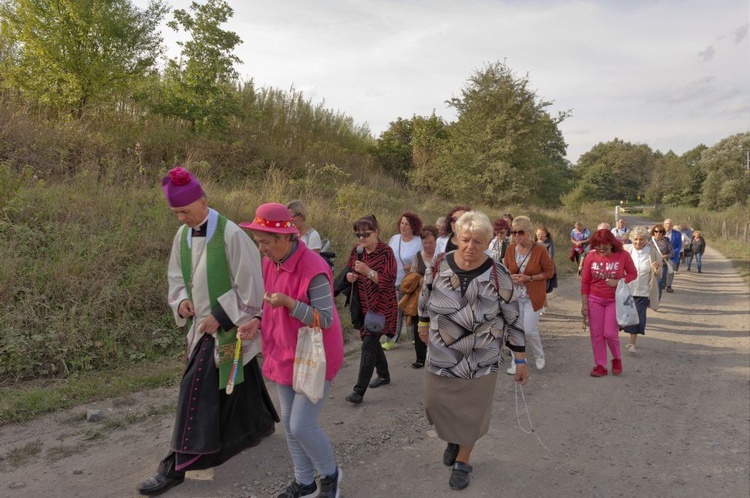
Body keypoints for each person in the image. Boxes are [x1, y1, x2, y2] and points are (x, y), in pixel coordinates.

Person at [138, 167, 279, 496]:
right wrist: (183, 301)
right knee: (234, 379)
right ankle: (257, 425)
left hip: (225, 329)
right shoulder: (182, 236)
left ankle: (176, 465)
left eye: (185, 211)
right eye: (175, 213)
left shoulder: (231, 235)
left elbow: (251, 287)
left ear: (203, 202)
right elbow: (176, 277)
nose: (181, 218)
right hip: (199, 326)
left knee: (194, 388)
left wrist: (219, 315)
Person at [238, 203, 344, 498]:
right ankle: (305, 482)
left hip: (314, 357)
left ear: (286, 238)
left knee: (301, 425)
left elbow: (325, 318)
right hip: (283, 352)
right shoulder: (269, 262)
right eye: (258, 242)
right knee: (289, 422)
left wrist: (288, 303)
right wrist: (257, 321)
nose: (261, 249)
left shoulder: (314, 269)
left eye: (266, 243)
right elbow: (268, 303)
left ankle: (331, 476)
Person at [417, 211, 527, 491]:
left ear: (489, 242)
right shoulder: (440, 263)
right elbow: (426, 295)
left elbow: (513, 317)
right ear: (455, 238)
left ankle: (463, 460)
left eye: (478, 241)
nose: (470, 246)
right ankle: (453, 439)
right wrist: (423, 323)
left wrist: (521, 358)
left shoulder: (498, 273)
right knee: (434, 404)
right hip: (442, 353)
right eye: (465, 239)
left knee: (473, 413)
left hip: (481, 357)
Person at [341, 215, 397, 404]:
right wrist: (350, 276)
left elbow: (389, 282)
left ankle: (358, 391)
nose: (361, 239)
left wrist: (368, 272)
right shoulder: (357, 251)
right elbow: (350, 270)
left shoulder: (386, 252)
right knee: (370, 341)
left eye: (366, 234)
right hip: (363, 305)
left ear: (376, 232)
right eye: (358, 235)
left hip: (381, 306)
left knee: (368, 345)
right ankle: (383, 375)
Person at [580, 229, 637, 377]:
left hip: (614, 300)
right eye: (598, 246)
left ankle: (617, 358)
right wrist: (584, 304)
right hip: (594, 299)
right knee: (596, 334)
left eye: (604, 246)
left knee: (610, 333)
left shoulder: (623, 255)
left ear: (612, 243)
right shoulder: (590, 257)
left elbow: (633, 274)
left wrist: (619, 281)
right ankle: (600, 365)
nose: (601, 249)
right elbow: (585, 282)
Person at [504, 216, 555, 372]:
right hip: (514, 297)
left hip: (533, 297)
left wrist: (529, 278)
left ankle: (539, 355)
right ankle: (517, 362)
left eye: (520, 232)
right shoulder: (510, 248)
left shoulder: (539, 249)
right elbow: (506, 269)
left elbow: (549, 272)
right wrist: (510, 276)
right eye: (514, 232)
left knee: (528, 330)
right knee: (515, 330)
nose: (517, 236)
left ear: (528, 232)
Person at [384, 212, 423, 350]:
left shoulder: (419, 241)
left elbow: (425, 259)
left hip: (411, 282)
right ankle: (392, 339)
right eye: (402, 223)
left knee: (410, 310)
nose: (404, 226)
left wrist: (413, 266)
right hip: (394, 280)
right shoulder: (394, 238)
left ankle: (414, 338)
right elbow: (387, 257)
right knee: (395, 310)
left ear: (413, 226)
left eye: (407, 224)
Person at [401, 225, 438, 369]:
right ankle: (420, 358)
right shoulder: (418, 256)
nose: (428, 246)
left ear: (436, 242)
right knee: (420, 325)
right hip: (420, 297)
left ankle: (436, 355)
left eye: (431, 242)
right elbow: (412, 274)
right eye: (425, 243)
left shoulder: (442, 256)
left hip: (438, 297)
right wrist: (419, 280)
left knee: (436, 326)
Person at [622, 227, 661, 352]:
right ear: (631, 239)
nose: (638, 242)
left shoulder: (652, 252)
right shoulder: (625, 250)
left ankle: (632, 343)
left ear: (646, 240)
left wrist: (656, 270)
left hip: (643, 291)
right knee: (625, 317)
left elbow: (659, 273)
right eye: (636, 239)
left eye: (641, 239)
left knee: (638, 317)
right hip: (626, 290)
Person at [534, 225, 556, 313]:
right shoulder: (533, 242)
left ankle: (543, 307)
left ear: (546, 234)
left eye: (542, 234)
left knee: (542, 289)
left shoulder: (549, 243)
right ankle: (542, 306)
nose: (540, 235)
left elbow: (550, 257)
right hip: (534, 268)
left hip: (545, 269)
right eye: (538, 233)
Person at [650, 224, 674, 301]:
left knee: (658, 283)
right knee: (649, 283)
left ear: (663, 232)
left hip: (662, 265)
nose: (658, 233)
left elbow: (672, 253)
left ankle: (656, 300)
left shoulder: (666, 240)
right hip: (650, 264)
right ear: (653, 232)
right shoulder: (649, 240)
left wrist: (666, 256)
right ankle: (648, 299)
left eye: (660, 232)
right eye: (656, 231)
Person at [663, 218, 682, 292]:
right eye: (667, 223)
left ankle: (669, 286)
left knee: (670, 272)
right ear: (664, 224)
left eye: (670, 223)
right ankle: (662, 284)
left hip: (672, 256)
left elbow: (679, 246)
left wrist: (671, 254)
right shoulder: (659, 232)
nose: (668, 225)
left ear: (672, 225)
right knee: (661, 271)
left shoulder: (677, 234)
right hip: (661, 256)